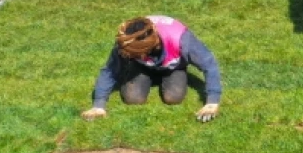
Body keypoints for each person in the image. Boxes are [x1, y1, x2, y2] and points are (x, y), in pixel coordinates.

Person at [81, 16, 222, 123]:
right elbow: (109, 70)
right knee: (133, 98)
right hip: (142, 66)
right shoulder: (127, 41)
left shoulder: (181, 39)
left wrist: (212, 102)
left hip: (173, 67)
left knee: (174, 97)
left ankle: (166, 75)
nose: (125, 54)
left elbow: (209, 64)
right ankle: (147, 73)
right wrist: (98, 105)